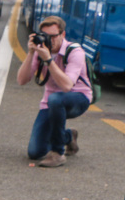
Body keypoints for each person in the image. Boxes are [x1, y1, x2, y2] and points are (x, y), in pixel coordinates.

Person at [16, 15, 93, 167]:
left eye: (53, 36)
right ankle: (68, 136)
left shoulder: (75, 52)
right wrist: (31, 53)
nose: (50, 40)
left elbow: (66, 86)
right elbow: (21, 80)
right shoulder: (41, 51)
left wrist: (49, 60)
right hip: (51, 104)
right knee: (35, 152)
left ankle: (58, 154)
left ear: (62, 34)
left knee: (56, 99)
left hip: (78, 98)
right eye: (45, 36)